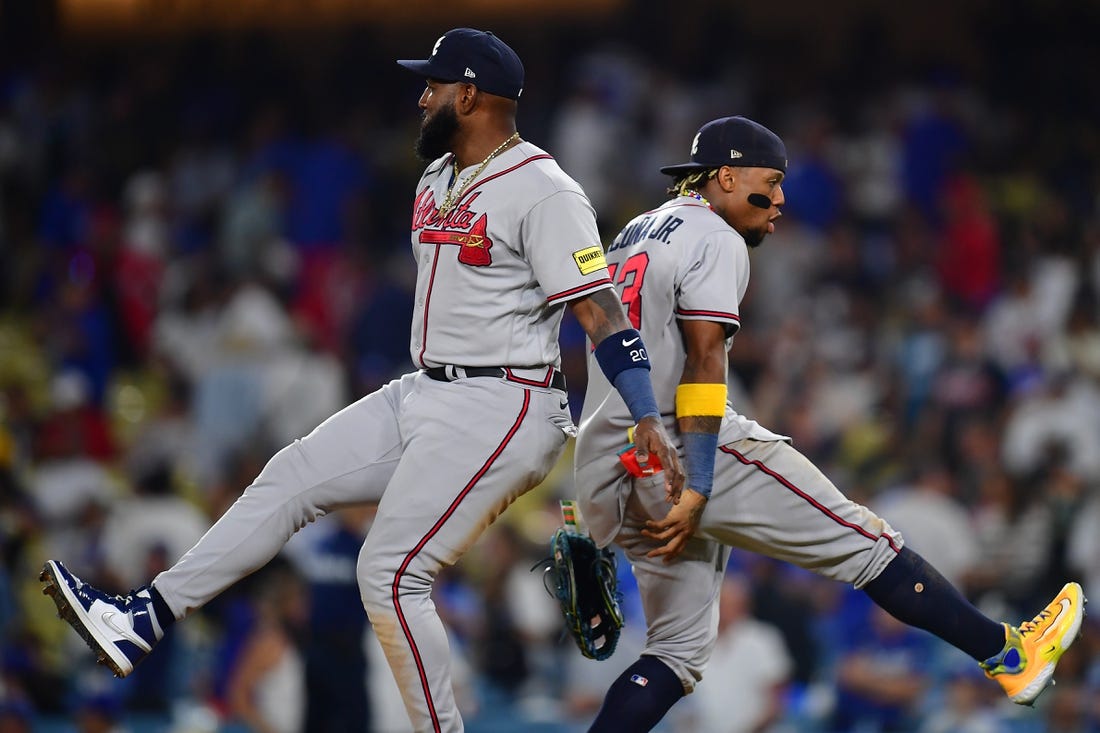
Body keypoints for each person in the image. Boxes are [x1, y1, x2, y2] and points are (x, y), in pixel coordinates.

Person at [38, 28, 682, 733]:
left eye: (432, 85)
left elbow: (599, 310)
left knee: (389, 573)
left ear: (469, 95)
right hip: (428, 388)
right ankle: (143, 618)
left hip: (507, 400)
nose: (421, 96)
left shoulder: (547, 191)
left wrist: (645, 409)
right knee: (290, 477)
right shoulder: (436, 177)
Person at [572, 115, 1086, 732]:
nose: (781, 199)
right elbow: (705, 359)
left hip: (612, 464)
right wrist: (701, 482)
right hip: (683, 450)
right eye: (771, 182)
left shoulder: (633, 231)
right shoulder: (714, 236)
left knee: (675, 654)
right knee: (868, 545)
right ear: (726, 178)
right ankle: (1010, 655)